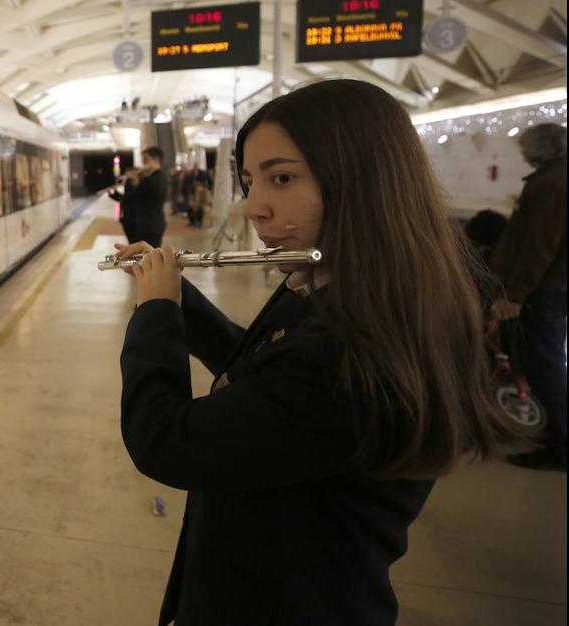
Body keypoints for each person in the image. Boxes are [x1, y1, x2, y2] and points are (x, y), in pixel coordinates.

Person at [112, 79, 526, 626]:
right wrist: (179, 296)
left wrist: (155, 315)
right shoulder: (344, 289)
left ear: (364, 181)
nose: (256, 208)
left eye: (281, 178)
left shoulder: (354, 344)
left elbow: (163, 440)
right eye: (250, 181)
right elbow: (260, 370)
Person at [488, 123, 567, 470]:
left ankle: (558, 445)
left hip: (544, 289)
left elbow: (539, 246)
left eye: (524, 147)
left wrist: (516, 295)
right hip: (554, 285)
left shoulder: (549, 184)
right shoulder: (555, 179)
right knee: (549, 362)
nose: (522, 154)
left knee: (544, 365)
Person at [129, 146, 167, 247]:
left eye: (146, 160)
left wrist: (136, 183)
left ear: (156, 159)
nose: (144, 163)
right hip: (150, 224)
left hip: (150, 225)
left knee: (149, 258)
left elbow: (146, 196)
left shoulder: (156, 178)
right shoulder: (153, 177)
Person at [108, 168, 142, 244]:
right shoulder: (129, 182)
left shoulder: (135, 183)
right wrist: (112, 193)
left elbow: (127, 197)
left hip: (134, 218)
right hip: (127, 217)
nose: (126, 175)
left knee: (134, 241)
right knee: (131, 240)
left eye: (128, 173)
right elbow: (123, 198)